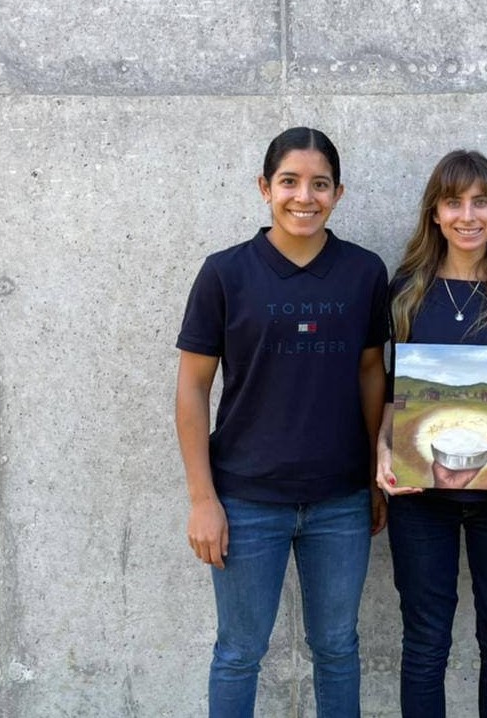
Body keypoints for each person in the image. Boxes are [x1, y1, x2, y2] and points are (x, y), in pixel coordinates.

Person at [175, 126, 388, 717]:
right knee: (240, 651)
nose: (304, 197)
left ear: (338, 193)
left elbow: (373, 374)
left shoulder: (365, 272)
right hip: (245, 500)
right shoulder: (225, 273)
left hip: (340, 501)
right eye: (290, 182)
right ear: (264, 187)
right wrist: (202, 498)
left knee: (338, 650)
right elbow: (192, 388)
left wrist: (375, 476)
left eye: (320, 184)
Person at [376, 150, 487, 718]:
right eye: (454, 202)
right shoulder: (406, 289)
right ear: (435, 213)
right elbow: (391, 388)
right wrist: (383, 451)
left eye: (481, 201)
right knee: (425, 645)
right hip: (419, 501)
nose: (467, 215)